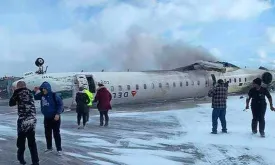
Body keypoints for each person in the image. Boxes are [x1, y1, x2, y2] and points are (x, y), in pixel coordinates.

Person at [9, 81, 39, 165]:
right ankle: (35, 162)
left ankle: (21, 159)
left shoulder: (18, 92)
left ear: (18, 87)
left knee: (21, 141)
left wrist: (15, 92)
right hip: (32, 120)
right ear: (25, 86)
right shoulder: (30, 92)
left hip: (23, 121)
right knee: (32, 142)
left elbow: (11, 103)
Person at [33, 81, 63, 155]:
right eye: (42, 89)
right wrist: (35, 91)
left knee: (56, 133)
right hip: (47, 117)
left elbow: (60, 104)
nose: (43, 90)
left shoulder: (54, 95)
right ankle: (49, 147)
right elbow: (36, 97)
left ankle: (59, 149)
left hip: (55, 117)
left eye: (45, 89)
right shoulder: (42, 95)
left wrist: (58, 114)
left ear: (48, 88)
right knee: (47, 133)